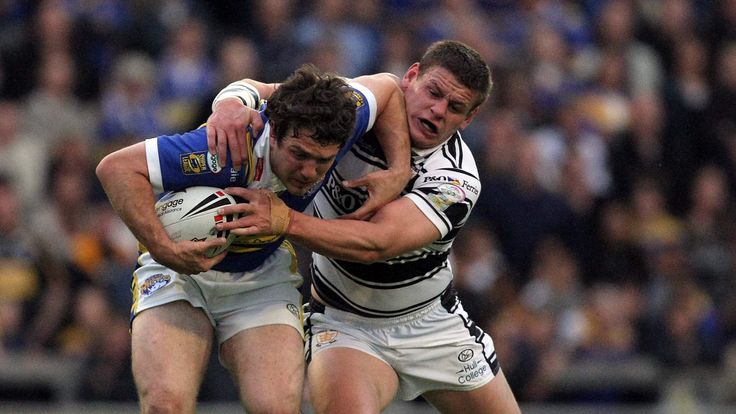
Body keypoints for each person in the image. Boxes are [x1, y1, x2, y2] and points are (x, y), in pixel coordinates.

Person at [208, 40, 521, 413]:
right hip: (345, 322)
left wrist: (282, 219)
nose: (437, 111)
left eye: (454, 108)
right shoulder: (352, 106)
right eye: (433, 92)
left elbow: (376, 243)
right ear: (411, 77)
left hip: (432, 323)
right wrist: (229, 103)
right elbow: (262, 91)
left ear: (468, 119)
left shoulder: (456, 178)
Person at [95, 64, 411, 414]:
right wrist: (163, 248)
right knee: (165, 405)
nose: (308, 172)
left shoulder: (345, 118)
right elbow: (116, 168)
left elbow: (389, 87)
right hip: (178, 273)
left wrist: (399, 170)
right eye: (299, 154)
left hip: (261, 277)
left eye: (322, 161)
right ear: (273, 133)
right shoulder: (223, 147)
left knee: (275, 408)